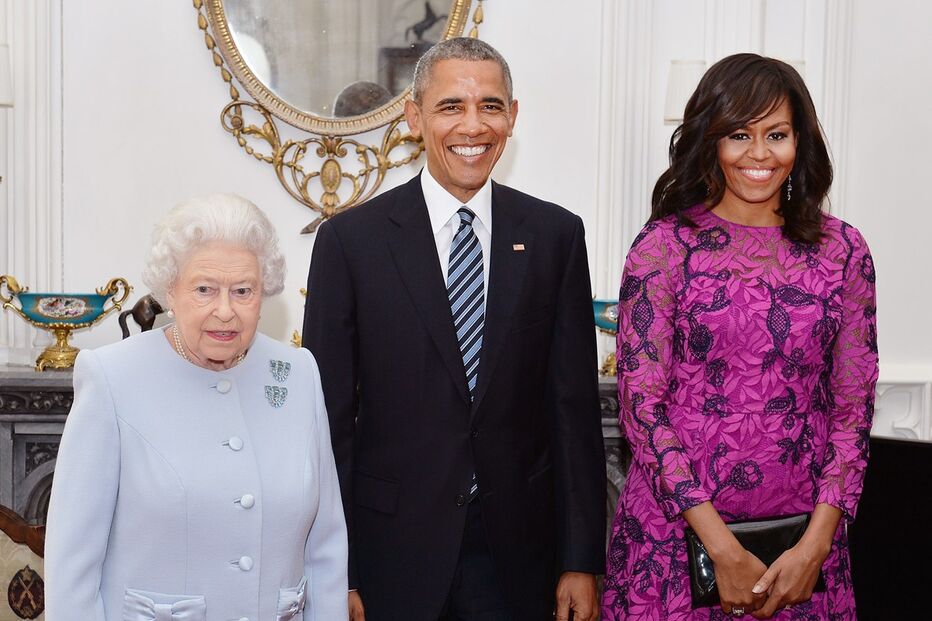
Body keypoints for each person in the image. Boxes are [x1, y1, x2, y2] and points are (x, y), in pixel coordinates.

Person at [303, 37, 606, 621]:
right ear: (414, 117)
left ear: (512, 117)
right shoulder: (350, 243)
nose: (474, 125)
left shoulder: (555, 236)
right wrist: (336, 570)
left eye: (491, 106)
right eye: (451, 106)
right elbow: (328, 423)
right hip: (391, 554)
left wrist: (580, 558)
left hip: (520, 558)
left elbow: (572, 411)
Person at [601, 53, 879, 620]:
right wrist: (720, 546)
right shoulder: (665, 246)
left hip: (801, 549)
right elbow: (642, 406)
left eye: (776, 134)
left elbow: (853, 410)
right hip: (672, 540)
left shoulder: (843, 250)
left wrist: (818, 542)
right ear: (711, 142)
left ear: (801, 142)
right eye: (739, 135)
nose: (759, 154)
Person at [45, 194, 348, 620]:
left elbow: (326, 548)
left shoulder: (297, 373)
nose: (225, 311)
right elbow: (72, 567)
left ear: (265, 292)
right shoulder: (112, 377)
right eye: (204, 289)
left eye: (243, 291)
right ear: (170, 289)